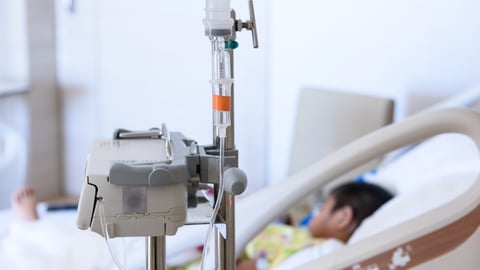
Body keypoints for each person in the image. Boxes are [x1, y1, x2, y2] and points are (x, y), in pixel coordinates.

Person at [237, 181, 393, 270]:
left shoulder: (328, 249)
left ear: (342, 217)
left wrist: (257, 265)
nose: (315, 213)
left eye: (322, 208)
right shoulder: (307, 238)